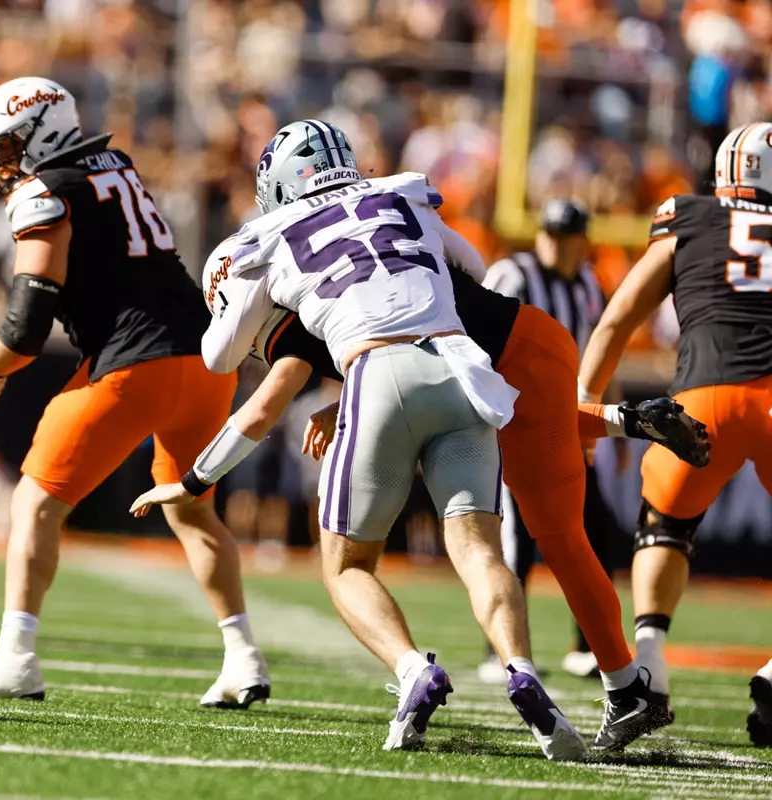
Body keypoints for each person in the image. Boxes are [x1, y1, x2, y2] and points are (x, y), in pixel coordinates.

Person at [133, 120, 706, 756]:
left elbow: (238, 383)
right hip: (477, 359)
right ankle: (583, 663)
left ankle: (552, 681)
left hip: (453, 363)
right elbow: (473, 272)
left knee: (380, 559)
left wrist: (191, 481)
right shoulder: (396, 197)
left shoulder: (276, 275)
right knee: (501, 542)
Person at [0, 77, 269, 709]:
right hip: (206, 361)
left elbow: (27, 325)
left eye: (6, 146)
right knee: (192, 510)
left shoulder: (44, 191)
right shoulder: (118, 167)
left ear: (40, 133)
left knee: (33, 503)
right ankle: (243, 657)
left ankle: (15, 659)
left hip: (134, 366)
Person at [578, 122, 772, 748]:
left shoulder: (688, 216)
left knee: (665, 522)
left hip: (704, 398)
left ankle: (651, 665)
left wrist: (584, 403)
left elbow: (617, 317)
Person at [479, 198, 624, 681]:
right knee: (514, 539)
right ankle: (500, 650)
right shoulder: (512, 275)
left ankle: (584, 645)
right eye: (549, 232)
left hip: (566, 426)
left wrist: (614, 429)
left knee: (596, 531)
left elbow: (601, 355)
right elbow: (475, 342)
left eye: (564, 235)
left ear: (582, 242)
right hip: (514, 424)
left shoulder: (587, 283)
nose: (552, 242)